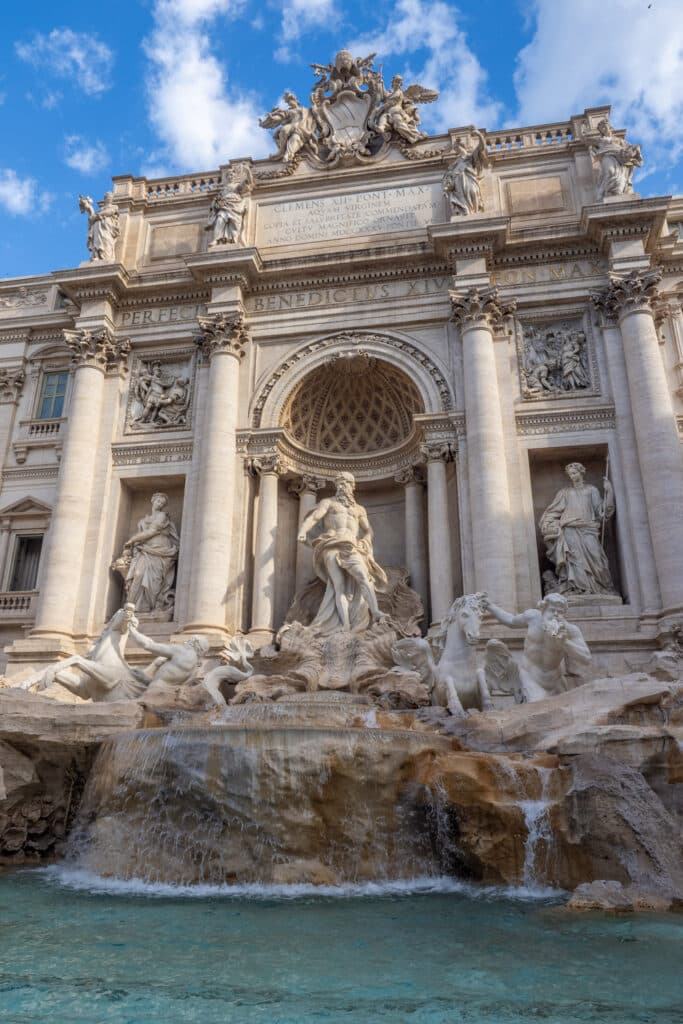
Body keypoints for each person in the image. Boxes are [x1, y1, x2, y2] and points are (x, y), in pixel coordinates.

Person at [297, 471, 387, 633]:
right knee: (339, 586)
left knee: (364, 578)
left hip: (352, 547)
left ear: (352, 486)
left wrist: (365, 542)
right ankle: (345, 625)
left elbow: (368, 530)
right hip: (331, 545)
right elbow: (315, 518)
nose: (342, 486)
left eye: (346, 483)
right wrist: (303, 530)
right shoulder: (328, 503)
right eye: (340, 483)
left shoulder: (359, 509)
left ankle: (375, 611)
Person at [483, 593, 591, 702]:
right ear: (543, 609)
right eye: (552, 610)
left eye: (560, 612)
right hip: (530, 678)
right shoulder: (532, 617)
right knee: (537, 706)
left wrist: (564, 642)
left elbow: (586, 658)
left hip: (555, 682)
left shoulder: (570, 630)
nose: (555, 615)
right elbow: (510, 621)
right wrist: (490, 606)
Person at [539, 462, 616, 595]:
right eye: (570, 474)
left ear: (581, 472)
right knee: (574, 560)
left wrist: (609, 492)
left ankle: (600, 588)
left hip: (589, 529)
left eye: (574, 473)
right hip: (569, 529)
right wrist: (548, 523)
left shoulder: (591, 490)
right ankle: (577, 588)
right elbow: (553, 511)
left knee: (596, 557)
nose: (572, 476)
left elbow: (601, 512)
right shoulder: (565, 492)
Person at [113, 493, 179, 614]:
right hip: (145, 550)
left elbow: (152, 531)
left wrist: (132, 540)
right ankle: (131, 606)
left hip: (161, 552)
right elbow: (143, 536)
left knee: (155, 581)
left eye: (162, 503)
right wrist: (134, 547)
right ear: (152, 500)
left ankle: (148, 607)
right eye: (158, 501)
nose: (160, 504)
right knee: (138, 574)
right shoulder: (143, 520)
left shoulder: (162, 516)